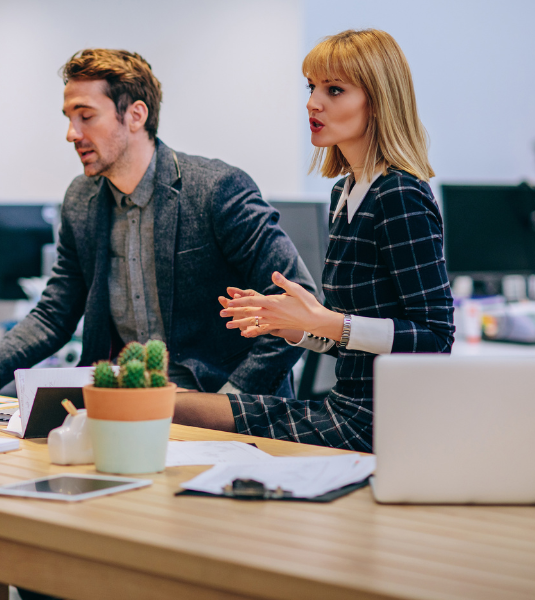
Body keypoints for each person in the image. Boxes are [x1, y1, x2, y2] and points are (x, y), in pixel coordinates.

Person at [0, 48, 316, 400]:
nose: (71, 133)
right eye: (68, 117)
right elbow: (54, 315)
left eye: (85, 116)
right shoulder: (82, 199)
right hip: (119, 402)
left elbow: (297, 301)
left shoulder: (215, 189)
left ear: (136, 115)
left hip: (217, 401)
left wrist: (230, 401)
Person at [175, 28, 454, 452]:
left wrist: (323, 321)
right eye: (311, 88)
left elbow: (435, 340)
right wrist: (297, 328)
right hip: (343, 409)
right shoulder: (345, 193)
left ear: (378, 101)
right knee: (175, 407)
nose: (313, 103)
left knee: (176, 410)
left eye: (334, 90)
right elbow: (355, 345)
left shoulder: (400, 194)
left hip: (380, 421)